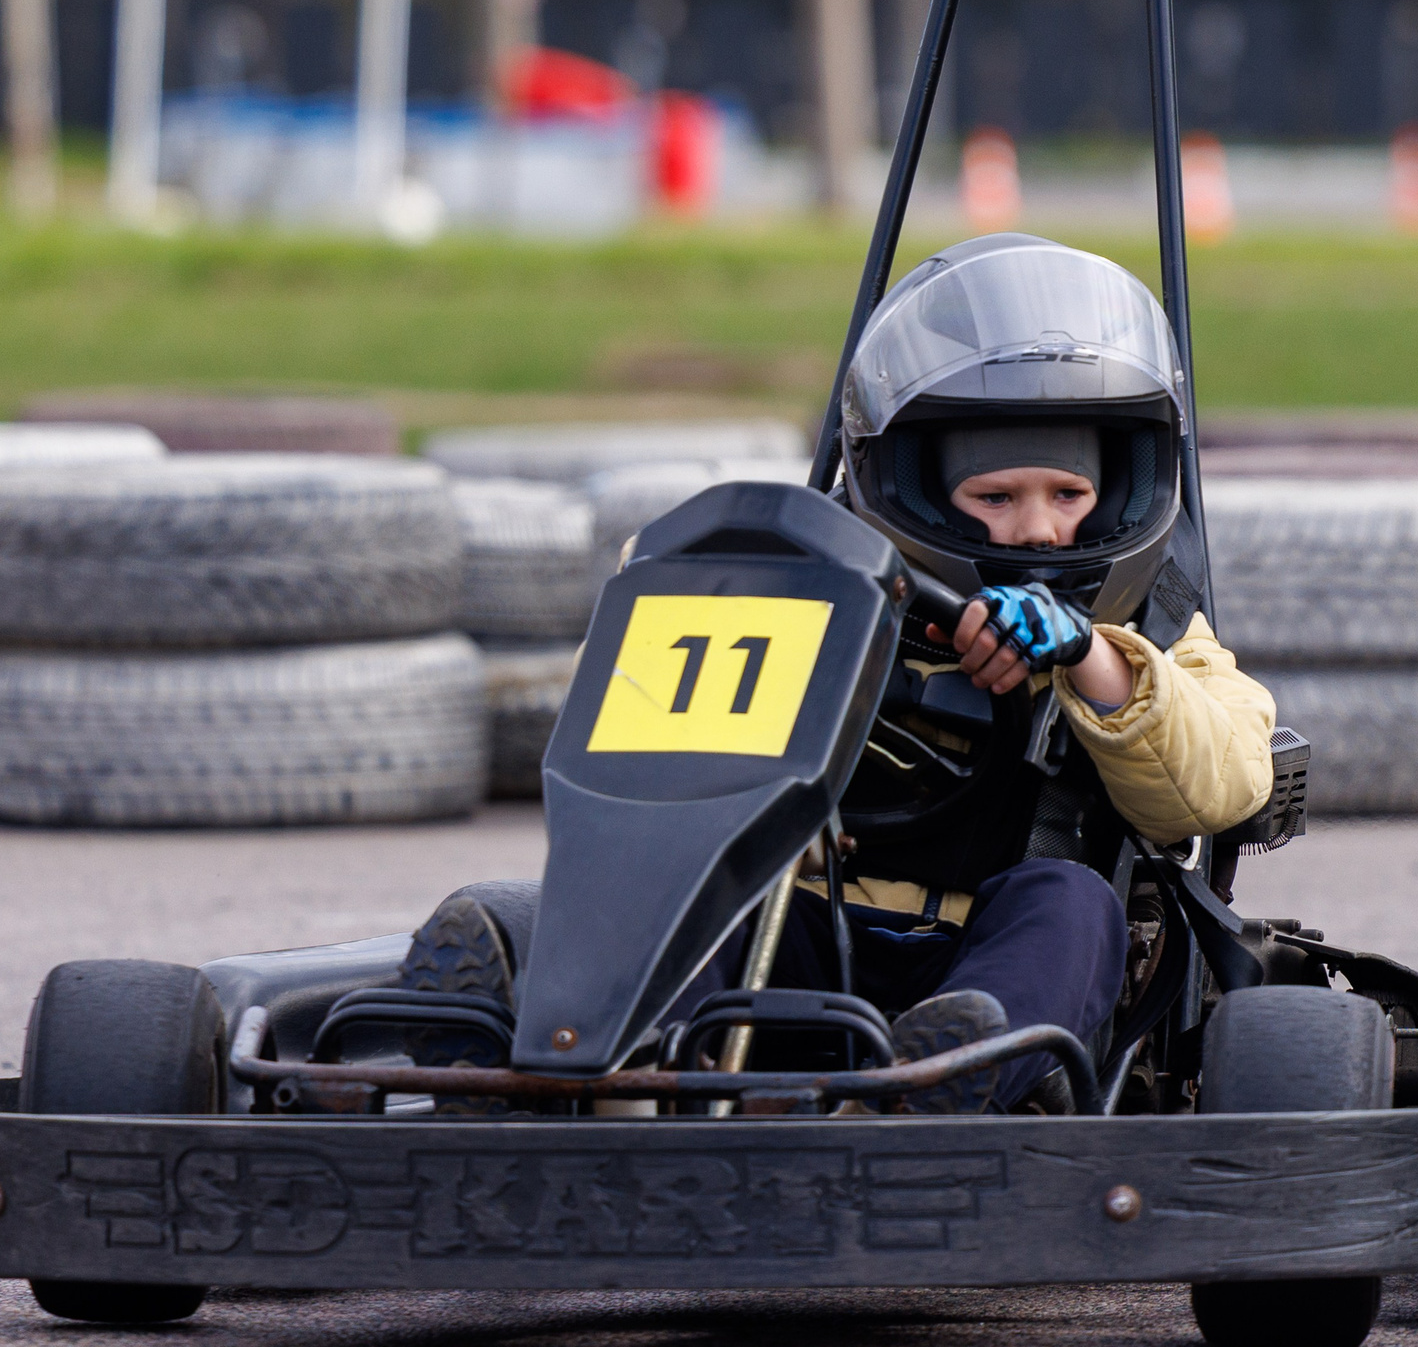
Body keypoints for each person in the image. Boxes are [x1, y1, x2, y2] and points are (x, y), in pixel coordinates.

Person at [401, 233, 1278, 1112]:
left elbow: (1221, 783)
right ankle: (584, 1062)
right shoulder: (812, 593)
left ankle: (936, 1083)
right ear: (919, 491)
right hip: (800, 937)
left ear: (1118, 488)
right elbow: (654, 754)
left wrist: (1086, 655)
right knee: (690, 902)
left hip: (987, 961)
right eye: (996, 498)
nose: (1040, 532)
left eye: (1068, 495)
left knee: (1073, 901)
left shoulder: (1154, 633)